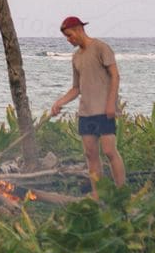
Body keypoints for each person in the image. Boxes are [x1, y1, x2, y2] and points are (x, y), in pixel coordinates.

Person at [44, 15, 125, 189]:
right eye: (66, 36)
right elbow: (76, 88)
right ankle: (98, 195)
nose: (68, 39)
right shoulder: (76, 57)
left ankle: (122, 192)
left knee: (110, 152)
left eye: (70, 35)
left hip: (104, 110)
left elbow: (115, 76)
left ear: (79, 30)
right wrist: (60, 102)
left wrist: (111, 103)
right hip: (86, 112)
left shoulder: (101, 48)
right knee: (90, 155)